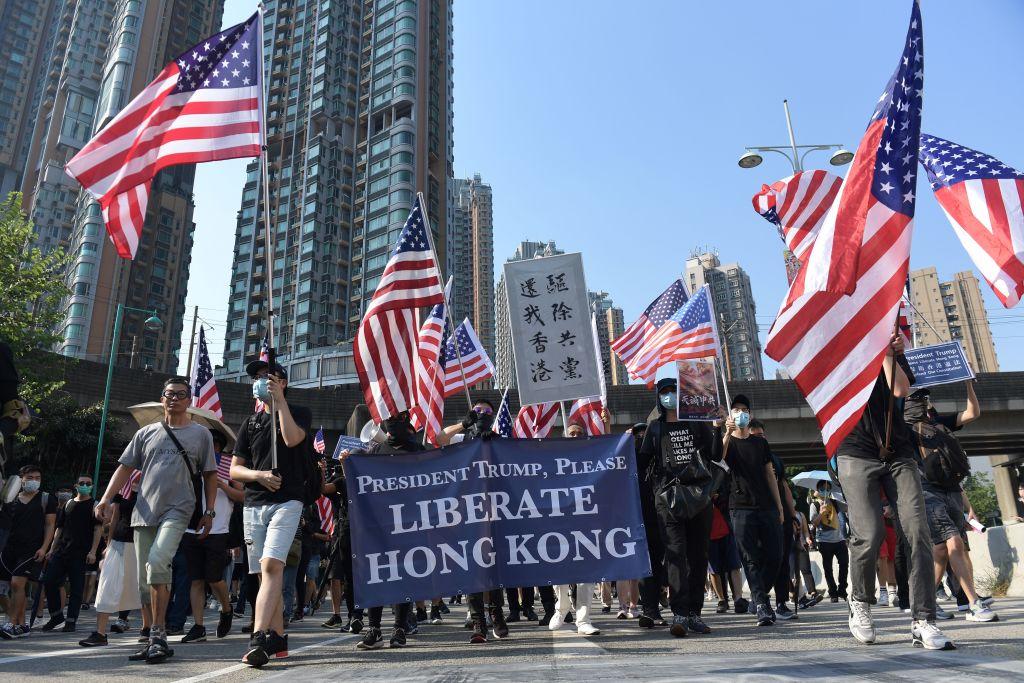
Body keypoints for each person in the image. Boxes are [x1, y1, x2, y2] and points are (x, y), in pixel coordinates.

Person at [837, 333, 952, 650]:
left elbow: (900, 390)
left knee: (917, 531)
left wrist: (889, 354)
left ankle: (923, 619)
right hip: (854, 452)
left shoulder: (891, 351)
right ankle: (860, 601)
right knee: (870, 534)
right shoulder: (838, 347)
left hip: (898, 453)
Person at [97, 377, 218, 664]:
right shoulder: (145, 433)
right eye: (169, 394)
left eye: (181, 394)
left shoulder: (201, 434)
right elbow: (124, 469)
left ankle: (159, 635)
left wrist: (210, 511)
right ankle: (152, 634)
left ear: (190, 400)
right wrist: (105, 498)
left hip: (179, 509)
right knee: (144, 582)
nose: (174, 398)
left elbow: (210, 474)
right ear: (162, 398)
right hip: (144, 512)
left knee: (158, 561)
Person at [230, 360, 312, 666]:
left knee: (272, 566)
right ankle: (278, 637)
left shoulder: (299, 412)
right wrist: (259, 476)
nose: (260, 381)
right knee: (264, 574)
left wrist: (280, 404)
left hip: (288, 501)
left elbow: (292, 439)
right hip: (254, 503)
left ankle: (259, 636)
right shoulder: (250, 423)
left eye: (266, 377)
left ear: (282, 382)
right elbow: (236, 469)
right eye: (257, 377)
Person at [904, 384, 998, 623]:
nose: (923, 401)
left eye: (924, 397)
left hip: (953, 490)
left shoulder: (938, 423)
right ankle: (973, 604)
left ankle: (926, 601)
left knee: (942, 550)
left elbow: (972, 413)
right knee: (953, 542)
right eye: (917, 397)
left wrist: (968, 384)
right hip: (927, 492)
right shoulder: (902, 430)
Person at [636, 378, 720, 637]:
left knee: (699, 556)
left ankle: (694, 612)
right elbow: (641, 463)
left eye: (674, 391)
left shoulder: (697, 423)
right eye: (664, 392)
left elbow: (715, 455)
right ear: (659, 398)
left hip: (698, 497)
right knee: (675, 555)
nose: (670, 396)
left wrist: (718, 428)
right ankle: (680, 612)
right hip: (668, 500)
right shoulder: (655, 428)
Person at [342, 411, 421, 651]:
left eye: (398, 417)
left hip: (408, 523)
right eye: (390, 417)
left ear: (406, 419)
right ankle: (374, 629)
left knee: (405, 574)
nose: (393, 421)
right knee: (377, 574)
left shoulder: (418, 451)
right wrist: (347, 465)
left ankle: (399, 627)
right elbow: (357, 485)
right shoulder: (375, 451)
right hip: (379, 525)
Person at [438, 399, 511, 643]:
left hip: (495, 511)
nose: (482, 414)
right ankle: (478, 621)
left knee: (494, 567)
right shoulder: (463, 439)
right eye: (478, 411)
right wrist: (463, 424)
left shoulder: (497, 440)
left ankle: (496, 614)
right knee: (473, 567)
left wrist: (496, 442)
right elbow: (439, 439)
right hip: (467, 513)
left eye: (487, 412)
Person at [721, 394, 784, 627]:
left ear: (750, 414)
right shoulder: (728, 442)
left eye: (744, 410)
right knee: (750, 558)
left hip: (766, 506)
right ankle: (762, 605)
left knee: (775, 555)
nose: (741, 414)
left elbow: (770, 474)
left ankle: (758, 597)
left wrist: (779, 506)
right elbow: (718, 457)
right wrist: (726, 433)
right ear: (730, 415)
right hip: (740, 508)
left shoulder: (760, 443)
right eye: (736, 410)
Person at [180, 429, 243, 643]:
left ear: (218, 446)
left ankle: (226, 608)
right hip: (191, 528)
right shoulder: (191, 463)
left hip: (218, 530)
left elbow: (243, 496)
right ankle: (198, 627)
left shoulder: (228, 466)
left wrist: (223, 485)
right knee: (196, 579)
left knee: (214, 578)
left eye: (212, 443)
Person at [548, 420, 602, 636]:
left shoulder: (592, 458)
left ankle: (584, 619)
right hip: (559, 524)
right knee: (558, 572)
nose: (575, 436)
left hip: (586, 523)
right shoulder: (552, 460)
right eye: (571, 433)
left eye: (579, 433)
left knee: (586, 575)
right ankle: (561, 609)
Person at [79, 473, 147, 647]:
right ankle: (100, 633)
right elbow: (115, 517)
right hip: (118, 542)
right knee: (106, 586)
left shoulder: (152, 489)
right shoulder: (123, 490)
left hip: (142, 544)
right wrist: (108, 545)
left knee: (143, 588)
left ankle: (148, 629)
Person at [748, 419, 799, 620]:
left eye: (762, 435)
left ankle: (781, 603)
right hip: (757, 514)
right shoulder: (744, 458)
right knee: (763, 559)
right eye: (755, 436)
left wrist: (792, 515)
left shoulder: (775, 459)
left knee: (782, 559)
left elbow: (784, 487)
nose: (760, 439)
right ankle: (760, 599)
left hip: (780, 515)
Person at [0, 464, 56, 638]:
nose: (34, 481)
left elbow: (50, 525)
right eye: (30, 478)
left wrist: (44, 547)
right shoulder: (11, 499)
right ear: (21, 479)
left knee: (17, 584)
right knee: (6, 589)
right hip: (9, 548)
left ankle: (11, 624)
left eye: (37, 478)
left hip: (31, 549)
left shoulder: (46, 499)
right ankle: (22, 624)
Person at [41, 473, 102, 633]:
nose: (85, 485)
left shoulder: (94, 505)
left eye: (88, 483)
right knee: (49, 581)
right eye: (82, 483)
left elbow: (98, 529)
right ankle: (56, 616)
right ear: (76, 486)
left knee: (76, 588)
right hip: (62, 550)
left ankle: (71, 620)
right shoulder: (68, 504)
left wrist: (93, 551)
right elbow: (59, 529)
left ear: (92, 486)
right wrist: (51, 550)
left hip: (81, 553)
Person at [810, 484, 848, 603]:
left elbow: (847, 508)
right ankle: (833, 593)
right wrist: (821, 513)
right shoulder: (814, 505)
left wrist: (843, 495)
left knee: (844, 564)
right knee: (828, 568)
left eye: (827, 488)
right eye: (822, 489)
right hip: (824, 541)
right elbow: (814, 523)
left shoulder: (834, 502)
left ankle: (842, 589)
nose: (825, 491)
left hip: (839, 539)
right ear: (817, 490)